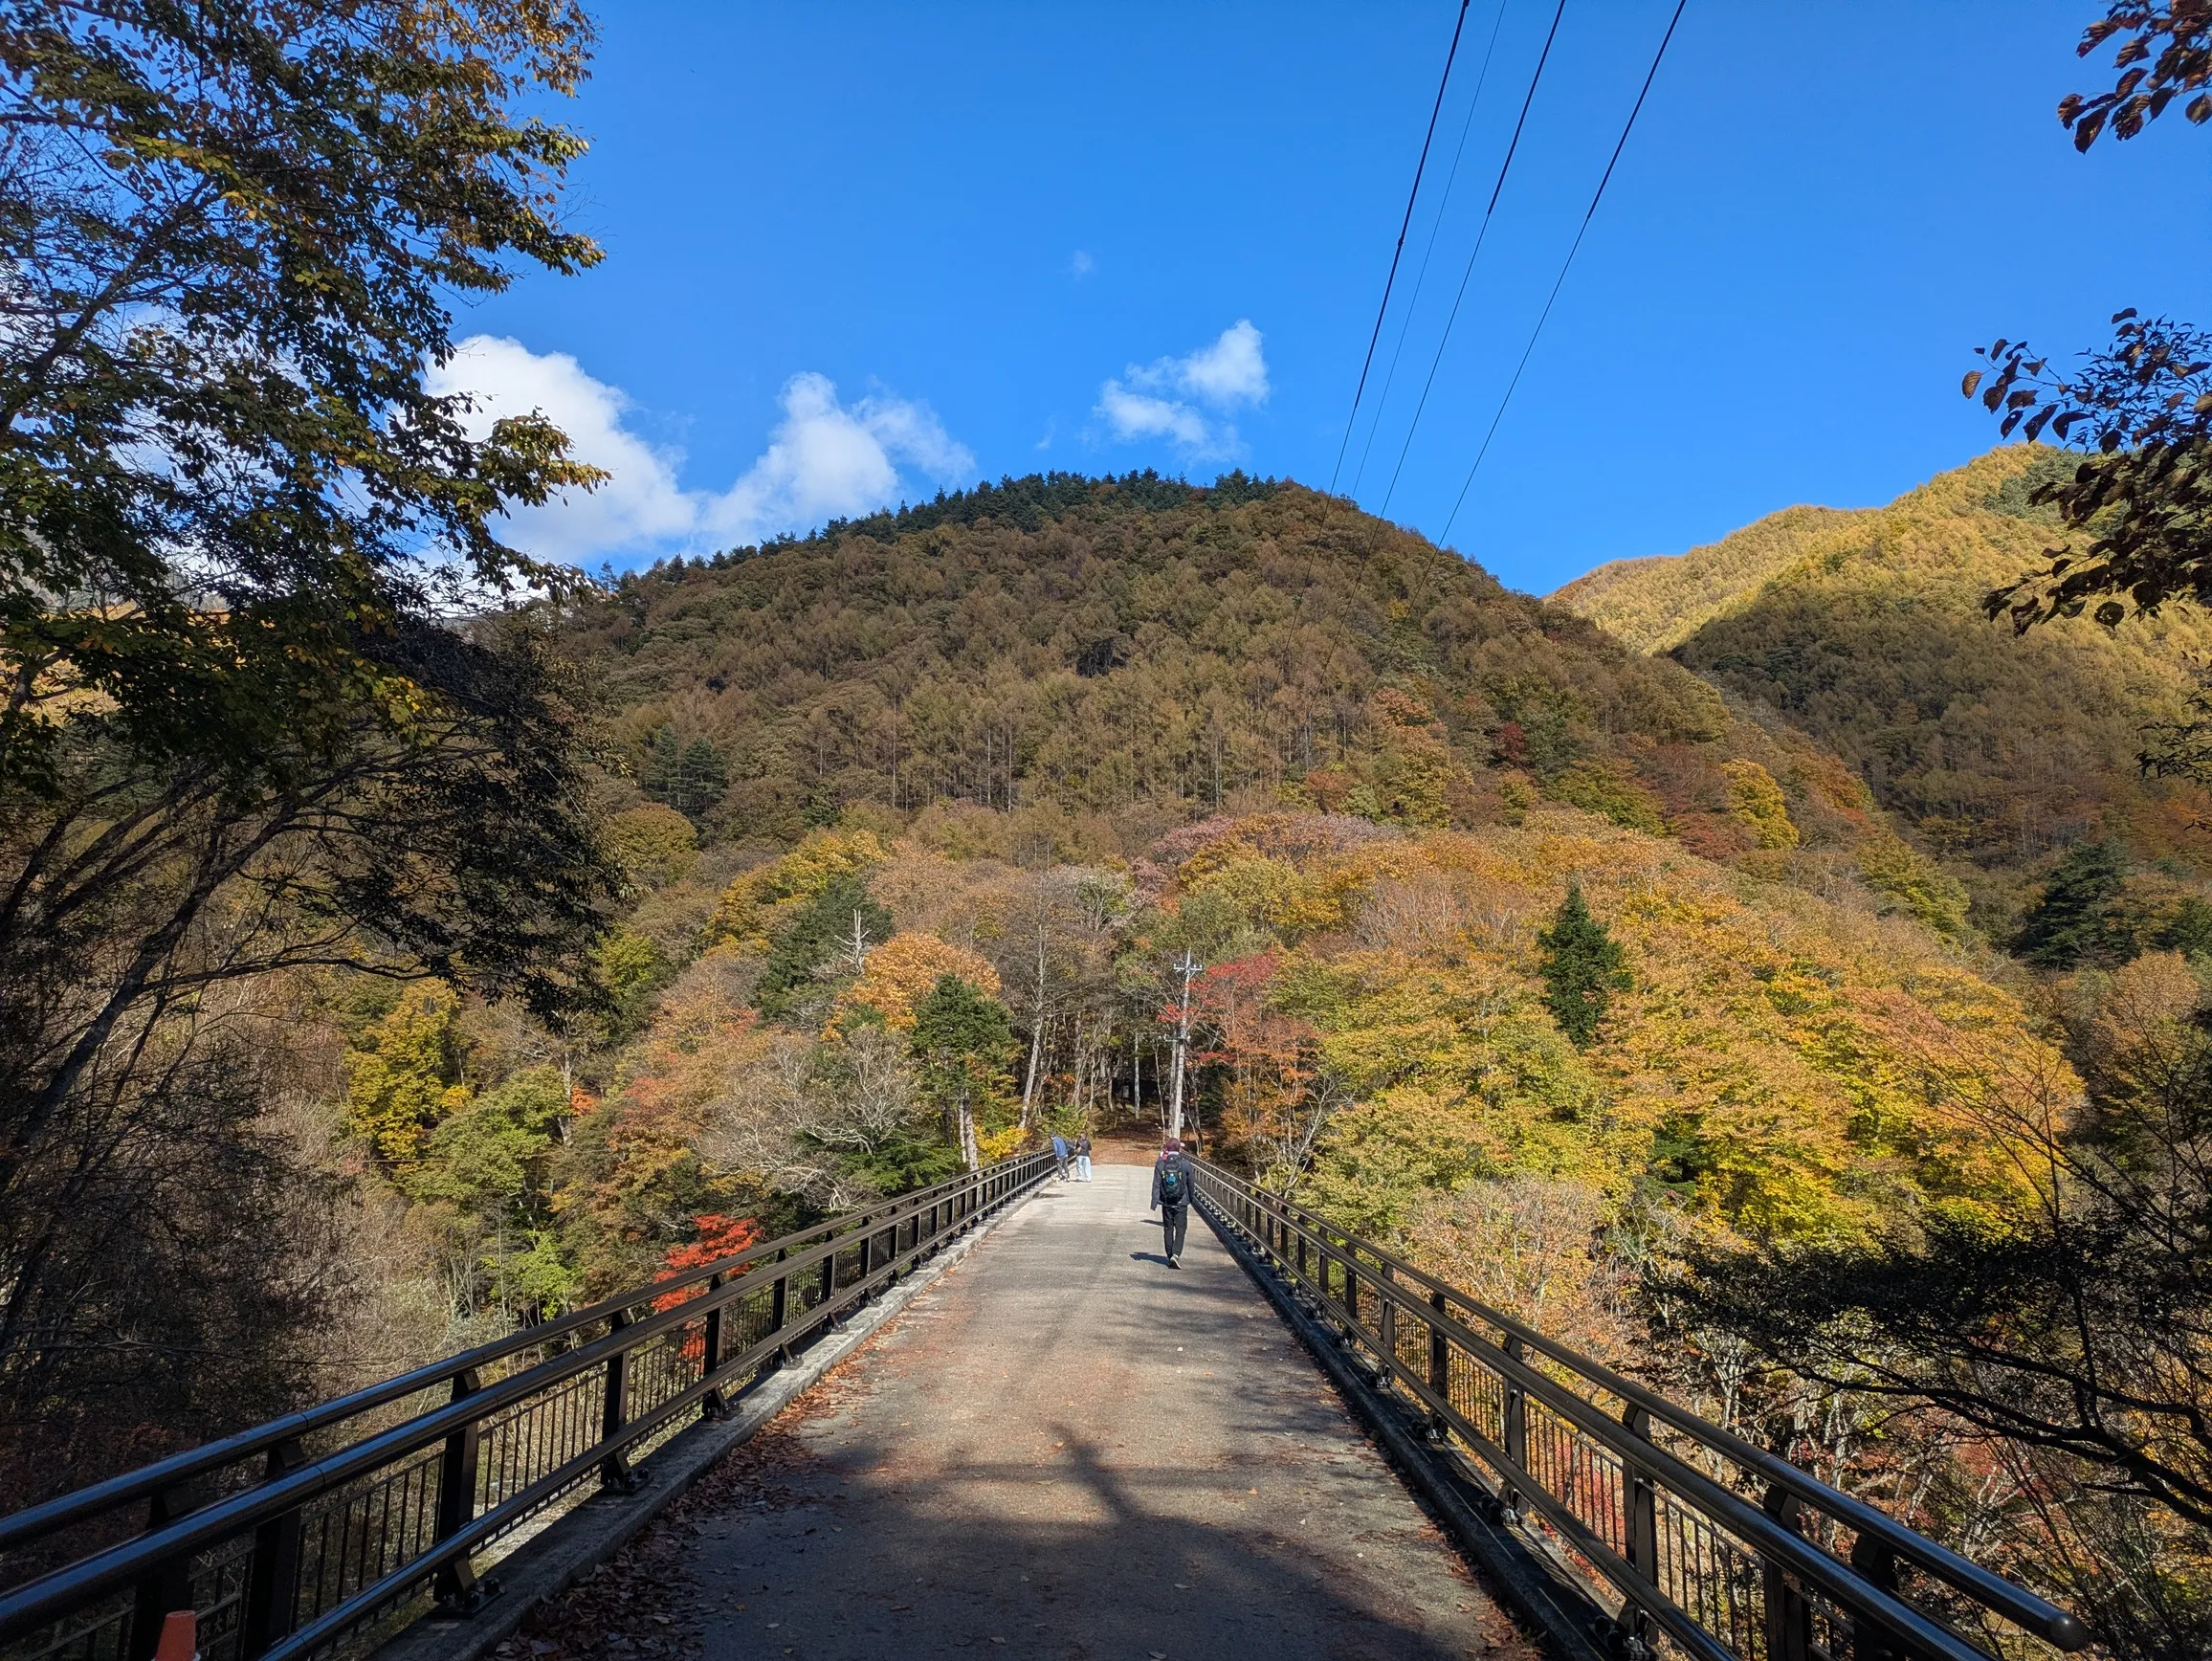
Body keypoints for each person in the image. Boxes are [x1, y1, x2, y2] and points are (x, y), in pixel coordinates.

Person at [1150, 1137, 1196, 1267]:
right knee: (1181, 1229)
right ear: (1179, 1149)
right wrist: (1191, 1199)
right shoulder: (1186, 1163)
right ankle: (1176, 1254)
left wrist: (1154, 1202)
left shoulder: (1160, 1163)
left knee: (1168, 1228)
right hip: (1182, 1202)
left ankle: (1170, 1255)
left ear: (1167, 1149)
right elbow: (1190, 1183)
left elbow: (1156, 1184)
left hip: (1166, 1202)